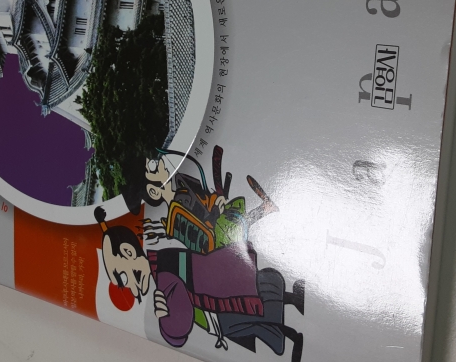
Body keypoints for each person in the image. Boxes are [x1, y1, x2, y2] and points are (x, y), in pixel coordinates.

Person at [95, 207, 305, 361]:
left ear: (128, 252)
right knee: (263, 292)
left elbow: (180, 326)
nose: (130, 289)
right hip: (226, 274)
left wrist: (164, 319)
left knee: (256, 315)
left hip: (223, 294)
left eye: (123, 279)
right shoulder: (161, 257)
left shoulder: (163, 276)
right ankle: (293, 310)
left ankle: (291, 336)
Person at [122, 146, 279, 253]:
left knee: (235, 219)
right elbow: (200, 230)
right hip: (219, 242)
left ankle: (265, 208)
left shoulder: (182, 189)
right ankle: (265, 208)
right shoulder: (177, 213)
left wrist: (216, 200)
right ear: (154, 191)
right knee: (233, 223)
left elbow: (205, 201)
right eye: (153, 167)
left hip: (222, 231)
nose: (159, 162)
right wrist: (215, 210)